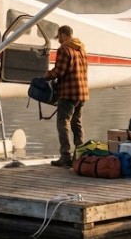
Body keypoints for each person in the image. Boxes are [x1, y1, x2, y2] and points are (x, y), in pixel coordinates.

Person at [45, 25, 89, 167]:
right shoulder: (81, 48)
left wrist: (46, 75)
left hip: (69, 92)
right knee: (77, 123)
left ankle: (65, 155)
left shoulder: (64, 49)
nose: (58, 40)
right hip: (82, 92)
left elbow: (60, 71)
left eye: (59, 37)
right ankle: (80, 155)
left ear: (63, 35)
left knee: (63, 122)